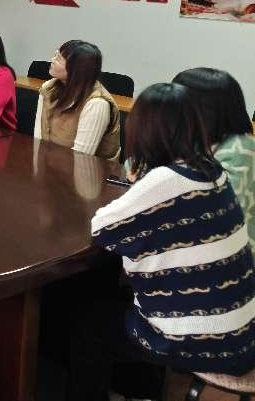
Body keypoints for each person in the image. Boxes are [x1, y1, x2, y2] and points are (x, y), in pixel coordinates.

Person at [70, 83, 255, 401]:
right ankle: (144, 388)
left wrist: (140, 183)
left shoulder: (164, 180)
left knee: (91, 328)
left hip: (204, 343)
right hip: (243, 332)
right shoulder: (213, 171)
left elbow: (102, 228)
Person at [173, 67, 255, 248]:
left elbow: (222, 212)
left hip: (233, 252)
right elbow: (135, 167)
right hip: (193, 241)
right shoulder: (196, 136)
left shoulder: (241, 148)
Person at [33, 40, 120, 159]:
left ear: (76, 69)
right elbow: (38, 140)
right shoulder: (48, 89)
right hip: (51, 164)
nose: (52, 60)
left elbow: (81, 158)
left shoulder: (97, 103)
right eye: (55, 55)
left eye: (58, 59)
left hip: (89, 168)